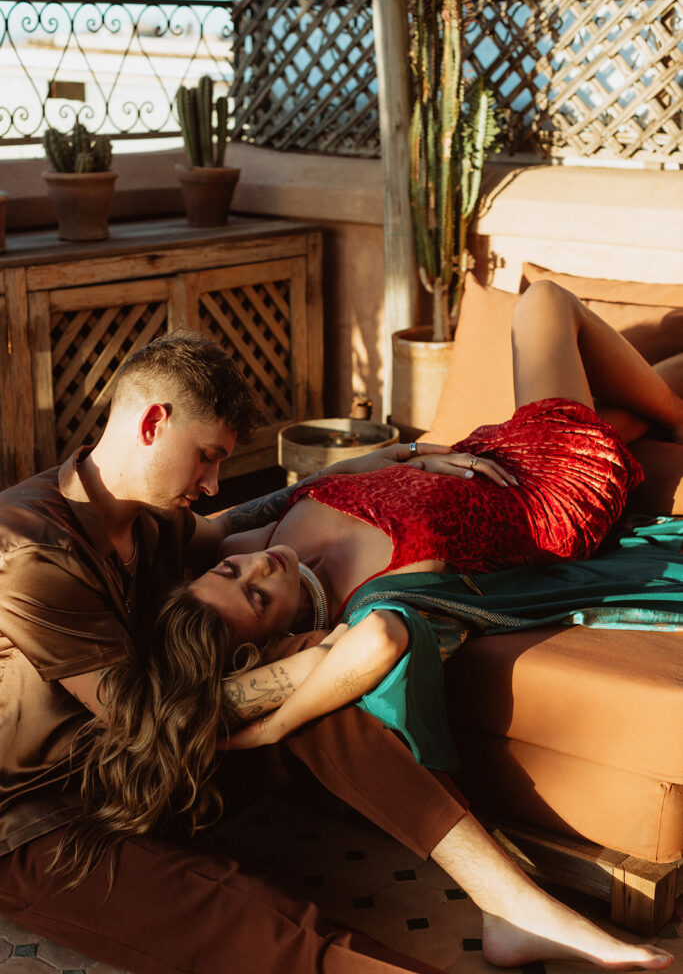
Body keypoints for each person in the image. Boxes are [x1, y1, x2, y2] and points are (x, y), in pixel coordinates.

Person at [66, 283, 682, 969]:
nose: (261, 569)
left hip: (494, 448)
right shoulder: (363, 601)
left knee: (628, 402)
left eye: (231, 574)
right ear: (275, 634)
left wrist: (374, 465)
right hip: (552, 482)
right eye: (260, 597)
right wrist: (270, 725)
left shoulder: (256, 545)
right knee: (543, 305)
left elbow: (207, 530)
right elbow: (382, 640)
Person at [0, 327, 466, 974]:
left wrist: (346, 472)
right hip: (32, 819)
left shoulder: (147, 517)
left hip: (138, 767)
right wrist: (308, 667)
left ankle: (510, 904)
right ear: (153, 422)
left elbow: (224, 525)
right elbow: (136, 713)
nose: (214, 481)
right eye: (207, 457)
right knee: (255, 926)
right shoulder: (29, 550)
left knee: (334, 691)